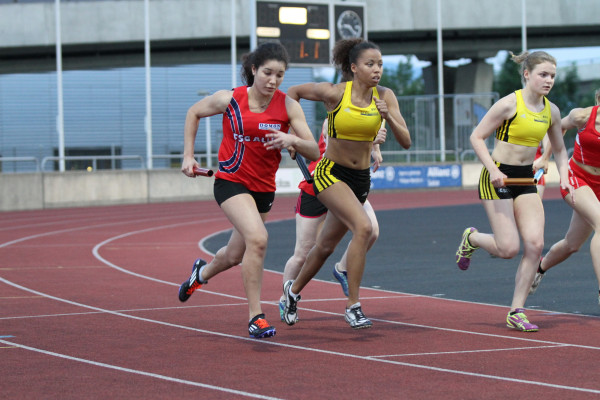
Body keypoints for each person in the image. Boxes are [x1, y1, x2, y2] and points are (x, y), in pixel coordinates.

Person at [177, 42, 319, 339]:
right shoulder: (230, 99)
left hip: (263, 189)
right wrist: (188, 156)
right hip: (231, 181)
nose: (273, 80)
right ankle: (256, 316)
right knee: (258, 238)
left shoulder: (288, 106)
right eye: (267, 73)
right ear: (253, 69)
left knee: (233, 255)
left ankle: (200, 274)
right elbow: (193, 112)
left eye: (280, 75)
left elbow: (313, 150)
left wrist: (291, 140)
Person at [281, 38, 411, 330]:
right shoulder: (335, 93)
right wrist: (296, 136)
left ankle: (292, 291)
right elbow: (292, 93)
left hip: (360, 178)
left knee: (325, 246)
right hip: (331, 173)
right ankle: (353, 306)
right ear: (354, 68)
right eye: (370, 64)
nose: (377, 70)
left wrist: (388, 116)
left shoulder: (385, 96)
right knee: (364, 228)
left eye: (380, 64)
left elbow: (406, 141)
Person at [455, 50, 572, 332]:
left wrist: (565, 178)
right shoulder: (509, 104)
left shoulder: (552, 111)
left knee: (535, 245)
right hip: (497, 176)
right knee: (508, 249)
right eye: (543, 74)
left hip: (525, 179)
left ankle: (516, 310)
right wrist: (493, 170)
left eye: (552, 76)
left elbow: (559, 149)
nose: (549, 80)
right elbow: (476, 137)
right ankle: (472, 237)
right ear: (527, 74)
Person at [278, 118, 386, 320]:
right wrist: (372, 140)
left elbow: (376, 125)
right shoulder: (334, 117)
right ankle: (286, 299)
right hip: (319, 183)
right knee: (303, 252)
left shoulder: (368, 112)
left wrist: (376, 149)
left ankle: (342, 269)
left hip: (349, 185)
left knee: (371, 230)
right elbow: (339, 145)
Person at [529, 89, 600, 303]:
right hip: (577, 178)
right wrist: (545, 157)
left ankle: (540, 267)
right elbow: (557, 128)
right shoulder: (582, 116)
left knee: (572, 244)